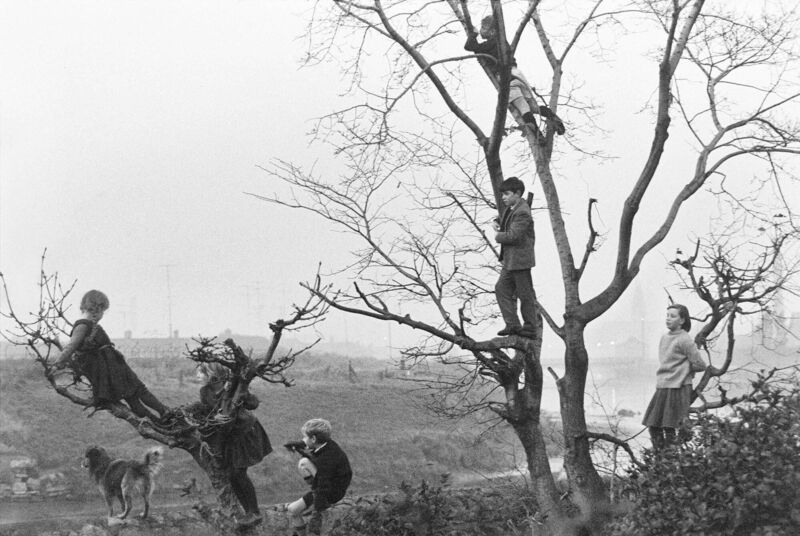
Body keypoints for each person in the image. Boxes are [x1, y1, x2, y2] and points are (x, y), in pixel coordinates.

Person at [52, 289, 171, 422]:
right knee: (139, 390)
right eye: (103, 310)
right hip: (111, 367)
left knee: (132, 398)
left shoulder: (88, 325)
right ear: (97, 308)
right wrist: (57, 364)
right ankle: (164, 414)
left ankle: (159, 421)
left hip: (109, 367)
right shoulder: (83, 325)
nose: (102, 314)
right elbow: (71, 346)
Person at [196, 362, 272, 529]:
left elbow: (253, 405)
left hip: (245, 433)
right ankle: (250, 513)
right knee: (232, 475)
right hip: (228, 435)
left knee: (238, 472)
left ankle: (255, 511)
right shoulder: (205, 392)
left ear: (212, 375)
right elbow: (206, 412)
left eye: (201, 373)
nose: (197, 377)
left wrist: (243, 393)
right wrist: (214, 418)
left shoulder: (232, 388)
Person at [464, 15, 565, 135]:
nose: (482, 31)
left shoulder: (491, 43)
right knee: (533, 107)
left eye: (484, 28)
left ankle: (537, 134)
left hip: (506, 77)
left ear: (492, 30)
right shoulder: (502, 42)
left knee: (522, 107)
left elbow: (469, 46)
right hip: (517, 73)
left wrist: (473, 34)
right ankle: (553, 118)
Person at [642, 304, 709, 450]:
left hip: (679, 387)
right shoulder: (664, 338)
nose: (668, 319)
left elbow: (700, 365)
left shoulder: (685, 339)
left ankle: (670, 462)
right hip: (663, 386)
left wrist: (684, 370)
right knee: (653, 426)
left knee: (670, 428)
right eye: (667, 316)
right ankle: (660, 459)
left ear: (682, 320)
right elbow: (666, 362)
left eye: (673, 316)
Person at [284, 418, 353, 536]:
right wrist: (299, 445)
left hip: (330, 492)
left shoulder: (326, 459)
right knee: (304, 462)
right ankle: (313, 495)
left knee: (293, 510)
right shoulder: (327, 444)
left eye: (305, 437)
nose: (303, 440)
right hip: (330, 483)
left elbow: (324, 483)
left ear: (314, 439)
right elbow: (311, 448)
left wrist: (317, 510)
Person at [493, 177, 537, 339]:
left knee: (525, 295)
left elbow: (514, 236)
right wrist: (496, 221)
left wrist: (498, 236)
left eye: (507, 194)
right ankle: (512, 324)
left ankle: (530, 327)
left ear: (517, 193)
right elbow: (507, 220)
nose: (503, 197)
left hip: (520, 261)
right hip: (511, 261)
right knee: (501, 288)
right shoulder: (514, 208)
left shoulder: (523, 212)